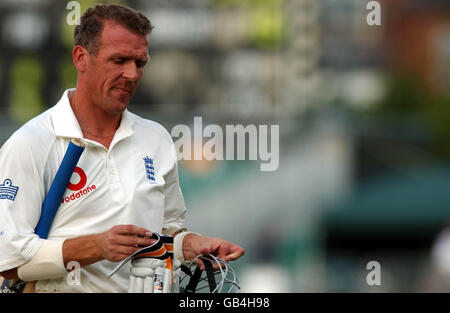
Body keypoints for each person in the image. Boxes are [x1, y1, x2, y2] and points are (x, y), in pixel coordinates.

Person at [0, 4, 244, 292]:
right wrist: (97, 246)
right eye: (119, 60)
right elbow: (8, 259)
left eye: (140, 63)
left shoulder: (156, 139)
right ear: (81, 58)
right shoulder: (31, 142)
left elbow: (166, 235)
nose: (131, 74)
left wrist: (191, 246)